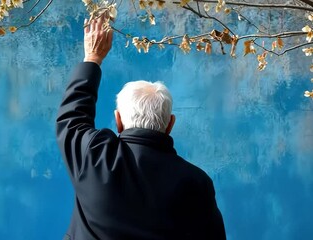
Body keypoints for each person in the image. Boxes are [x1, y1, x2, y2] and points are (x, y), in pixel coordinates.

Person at [56, 13, 226, 240]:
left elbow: (72, 118)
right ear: (170, 125)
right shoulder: (196, 183)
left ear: (118, 121)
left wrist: (93, 57)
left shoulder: (96, 157)